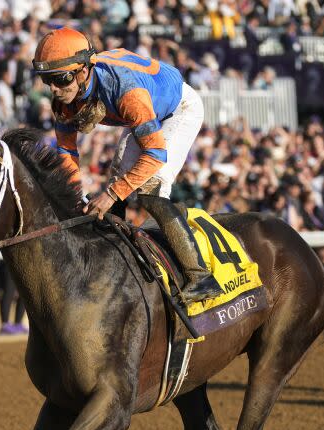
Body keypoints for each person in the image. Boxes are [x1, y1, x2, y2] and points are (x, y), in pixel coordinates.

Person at [32, 27, 222, 303]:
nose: (54, 90)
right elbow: (66, 151)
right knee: (118, 180)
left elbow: (156, 153)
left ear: (84, 71)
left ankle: (200, 276)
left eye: (60, 80)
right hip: (140, 113)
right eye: (47, 80)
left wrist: (110, 196)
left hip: (176, 109)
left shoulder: (126, 91)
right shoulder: (64, 98)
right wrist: (74, 195)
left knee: (149, 187)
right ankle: (114, 260)